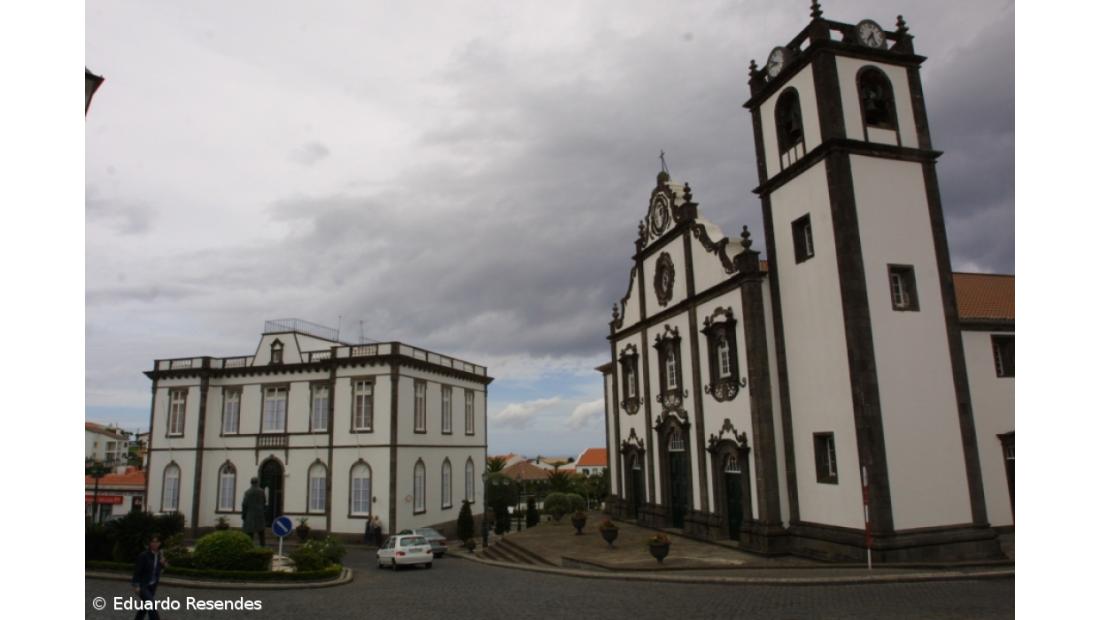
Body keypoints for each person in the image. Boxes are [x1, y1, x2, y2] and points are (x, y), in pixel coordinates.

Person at [131, 534, 166, 620]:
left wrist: (162, 563)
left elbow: (161, 570)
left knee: (144, 607)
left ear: (159, 543)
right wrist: (136, 586)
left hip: (152, 586)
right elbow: (137, 571)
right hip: (143, 585)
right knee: (151, 604)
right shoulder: (143, 555)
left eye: (156, 542)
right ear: (150, 543)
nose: (154, 544)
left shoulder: (159, 555)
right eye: (152, 542)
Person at [241, 477, 267, 546]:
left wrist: (243, 516)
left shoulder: (247, 492)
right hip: (260, 515)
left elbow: (244, 505)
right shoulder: (262, 492)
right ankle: (263, 550)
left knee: (250, 535)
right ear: (258, 482)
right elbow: (264, 502)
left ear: (251, 482)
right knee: (261, 535)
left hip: (250, 515)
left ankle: (249, 549)